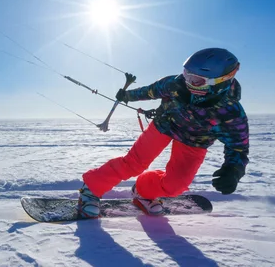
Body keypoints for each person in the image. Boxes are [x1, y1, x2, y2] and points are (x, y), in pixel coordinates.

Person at [77, 48, 249, 217]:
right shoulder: (176, 84)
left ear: (220, 82)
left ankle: (143, 191)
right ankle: (91, 189)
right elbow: (151, 91)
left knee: (176, 186)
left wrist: (233, 170)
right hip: (164, 126)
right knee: (134, 163)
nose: (187, 82)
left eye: (196, 80)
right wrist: (128, 96)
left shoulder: (230, 114)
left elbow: (238, 148)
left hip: (194, 141)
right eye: (186, 74)